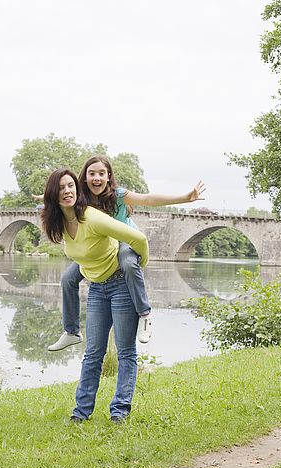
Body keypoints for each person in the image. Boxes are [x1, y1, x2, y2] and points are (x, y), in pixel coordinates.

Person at [37, 155, 206, 351]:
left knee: (127, 262)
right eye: (92, 174)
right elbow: (62, 195)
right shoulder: (81, 196)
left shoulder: (117, 194)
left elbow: (147, 199)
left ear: (109, 176)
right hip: (102, 248)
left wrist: (185, 197)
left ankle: (144, 314)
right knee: (67, 278)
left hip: (124, 241)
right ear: (84, 178)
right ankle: (72, 331)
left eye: (102, 173)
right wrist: (47, 196)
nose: (97, 178)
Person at [41, 167, 149, 423]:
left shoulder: (92, 217)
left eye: (70, 186)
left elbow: (139, 238)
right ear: (53, 195)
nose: (67, 191)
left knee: (125, 352)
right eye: (61, 188)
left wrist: (137, 265)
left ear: (77, 191)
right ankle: (81, 413)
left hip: (121, 285)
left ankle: (119, 412)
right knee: (93, 354)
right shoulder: (59, 224)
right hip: (97, 289)